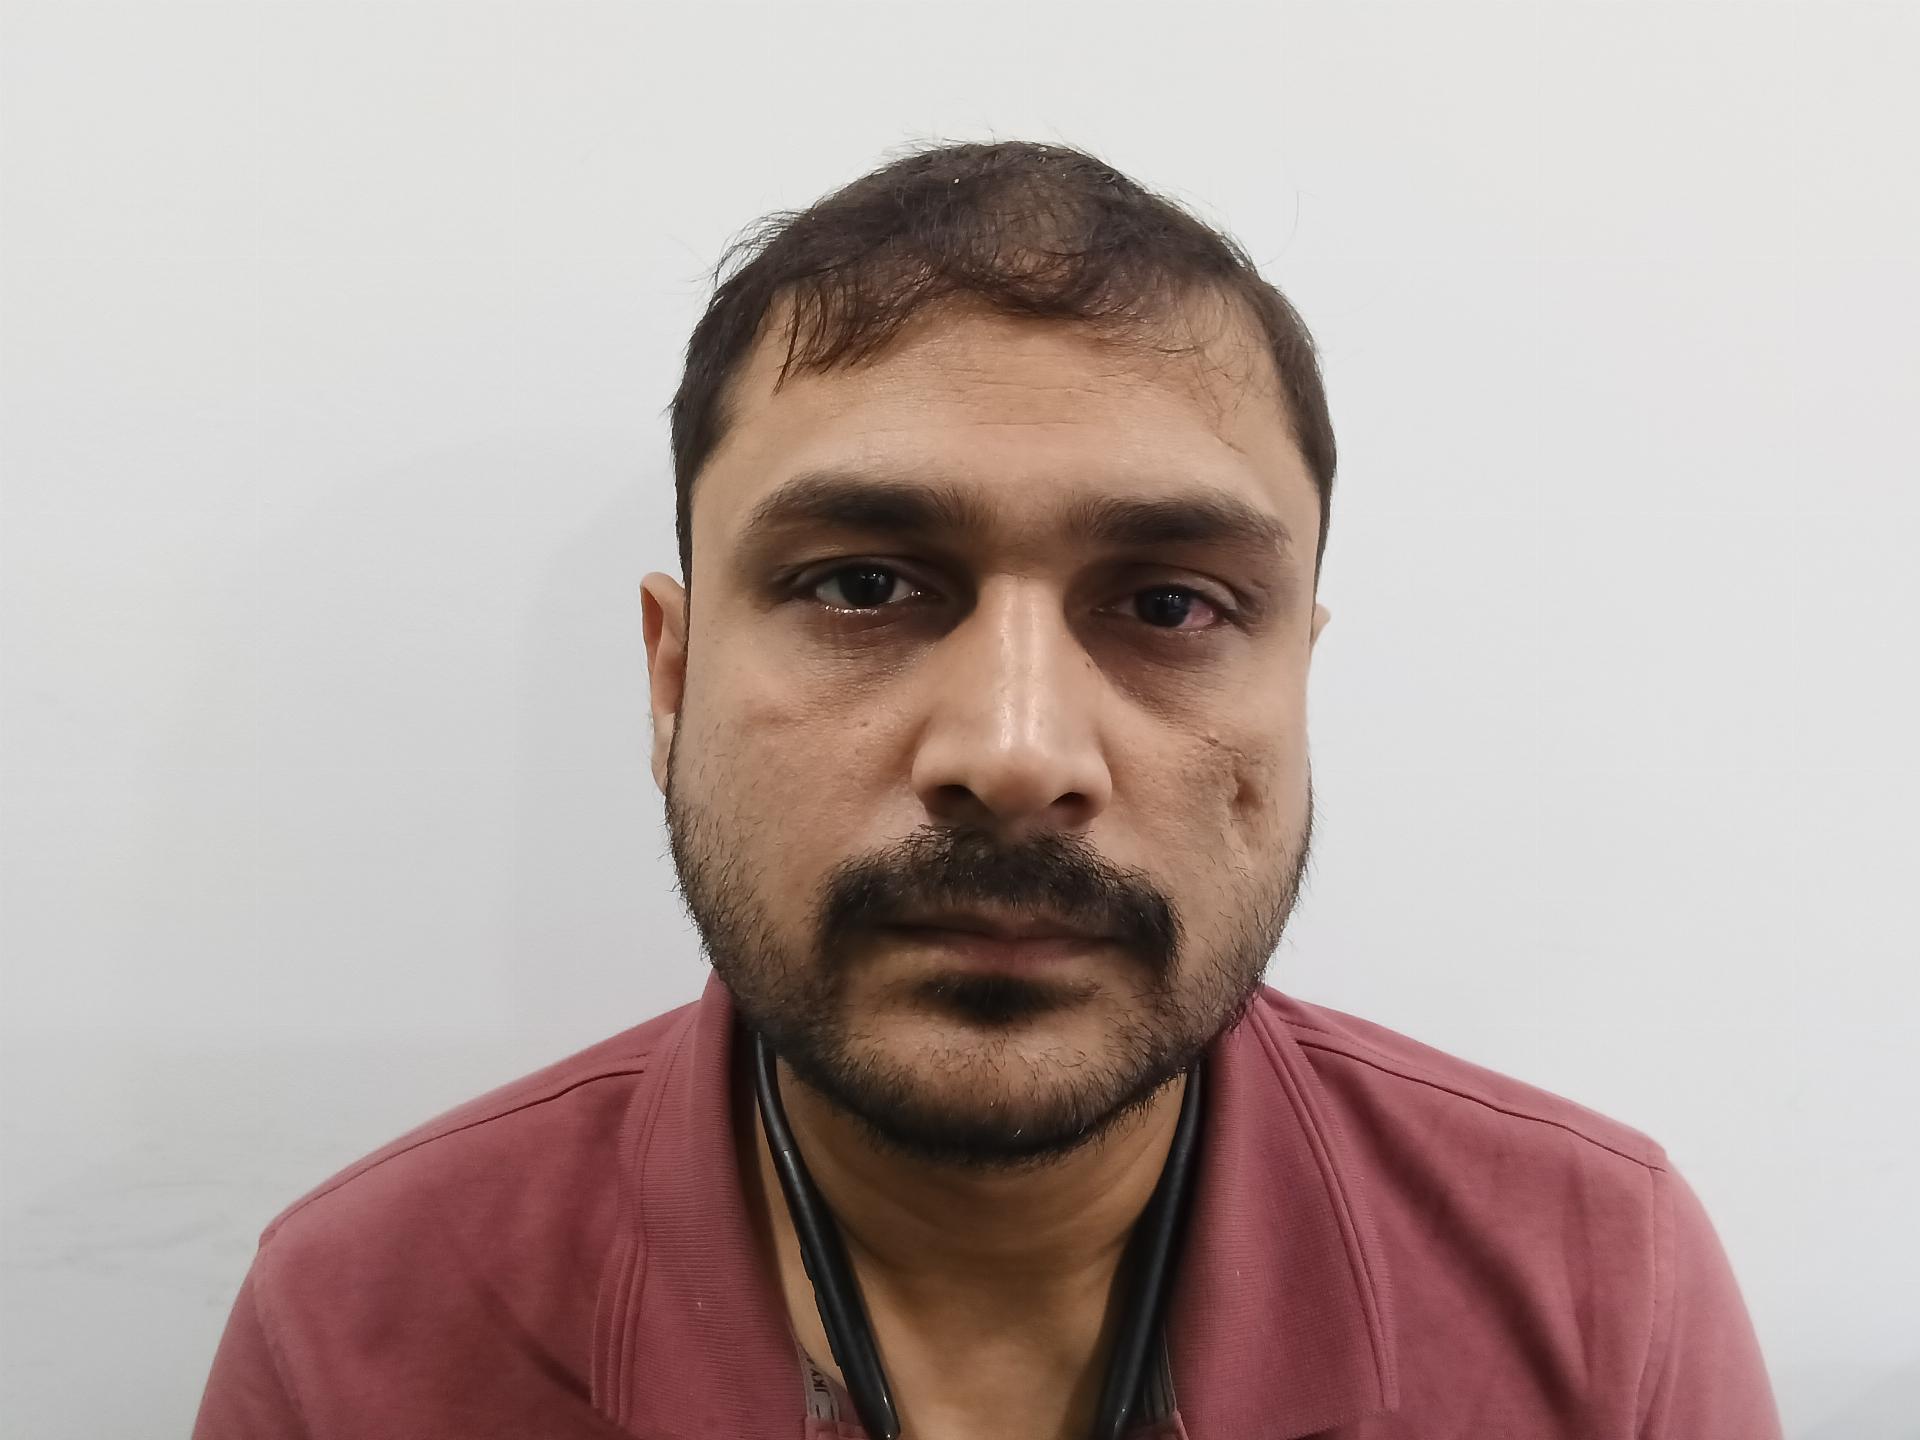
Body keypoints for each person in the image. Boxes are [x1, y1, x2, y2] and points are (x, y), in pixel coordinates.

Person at [191, 139, 1783, 1440]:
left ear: (1300, 681)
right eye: (863, 585)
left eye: (1170, 605)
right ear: (671, 680)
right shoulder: (361, 1334)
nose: (1018, 756)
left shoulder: (1601, 1294)